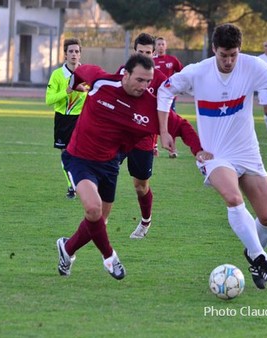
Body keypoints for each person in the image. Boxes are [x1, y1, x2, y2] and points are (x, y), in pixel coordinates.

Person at [157, 23, 267, 290]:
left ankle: (252, 254)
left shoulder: (251, 66)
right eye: (223, 55)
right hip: (214, 154)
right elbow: (164, 90)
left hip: (246, 151)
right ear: (214, 50)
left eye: (233, 55)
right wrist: (163, 131)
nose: (229, 61)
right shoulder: (197, 72)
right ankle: (262, 259)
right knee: (233, 197)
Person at [56, 53, 209, 279]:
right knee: (93, 209)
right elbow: (80, 71)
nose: (144, 86)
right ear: (125, 74)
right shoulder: (102, 81)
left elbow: (182, 126)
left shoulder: (150, 108)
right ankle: (110, 257)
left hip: (109, 165)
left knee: (99, 221)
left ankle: (67, 249)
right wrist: (74, 84)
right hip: (78, 158)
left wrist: (198, 150)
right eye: (139, 80)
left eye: (148, 81)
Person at [117, 33, 167, 239]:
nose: (144, 56)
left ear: (154, 53)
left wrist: (157, 138)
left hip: (143, 139)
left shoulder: (162, 80)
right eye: (140, 52)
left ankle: (145, 222)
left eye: (148, 53)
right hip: (118, 136)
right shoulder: (122, 72)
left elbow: (162, 113)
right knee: (102, 173)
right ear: (134, 52)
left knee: (140, 186)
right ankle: (98, 220)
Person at [45, 38, 87, 199]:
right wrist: (68, 90)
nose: (74, 54)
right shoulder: (57, 75)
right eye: (71, 51)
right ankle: (71, 185)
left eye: (77, 51)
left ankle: (83, 183)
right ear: (65, 54)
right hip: (63, 118)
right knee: (66, 154)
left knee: (83, 153)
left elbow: (94, 95)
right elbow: (49, 100)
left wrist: (86, 92)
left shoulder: (86, 73)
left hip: (82, 118)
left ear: (80, 54)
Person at [154, 36, 184, 158]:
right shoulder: (151, 61)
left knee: (171, 122)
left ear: (166, 46)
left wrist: (178, 88)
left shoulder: (172, 60)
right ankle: (153, 148)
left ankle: (172, 149)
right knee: (152, 121)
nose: (160, 46)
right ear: (155, 46)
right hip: (154, 97)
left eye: (162, 44)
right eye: (158, 44)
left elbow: (183, 74)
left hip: (168, 98)